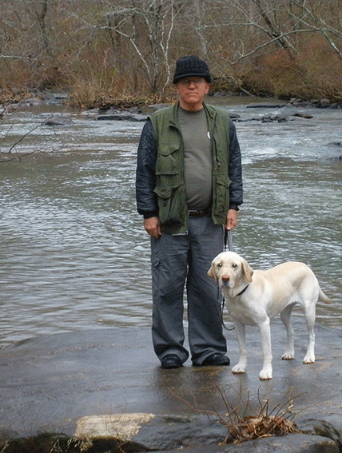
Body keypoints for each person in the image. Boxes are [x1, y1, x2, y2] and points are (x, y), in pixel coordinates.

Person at [135, 55, 243, 369]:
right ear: (178, 87)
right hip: (169, 222)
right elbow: (144, 171)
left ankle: (208, 350)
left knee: (209, 288)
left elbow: (234, 166)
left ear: (207, 86)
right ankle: (171, 351)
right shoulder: (158, 123)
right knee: (167, 288)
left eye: (197, 81)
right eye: (185, 81)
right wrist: (148, 212)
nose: (191, 85)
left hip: (212, 220)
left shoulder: (223, 121)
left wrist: (234, 205)